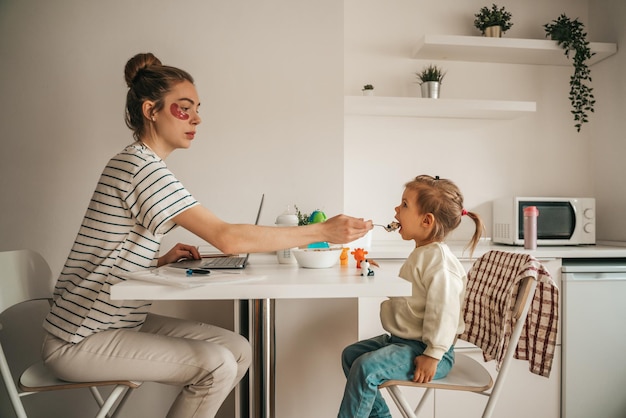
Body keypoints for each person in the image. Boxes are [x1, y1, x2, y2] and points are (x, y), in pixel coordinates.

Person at [41, 52, 372, 418]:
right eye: (184, 109)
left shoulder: (142, 164)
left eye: (197, 108)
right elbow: (227, 238)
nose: (197, 118)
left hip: (116, 321)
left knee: (239, 350)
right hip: (80, 338)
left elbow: (109, 249)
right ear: (151, 110)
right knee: (217, 365)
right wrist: (321, 231)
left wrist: (157, 260)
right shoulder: (141, 167)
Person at [337, 174, 484, 418]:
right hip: (403, 341)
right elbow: (410, 292)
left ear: (427, 220)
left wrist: (432, 354)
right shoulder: (423, 253)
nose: (396, 208)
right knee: (351, 355)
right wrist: (377, 274)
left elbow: (445, 311)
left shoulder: (440, 262)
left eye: (405, 204)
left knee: (365, 367)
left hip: (426, 349)